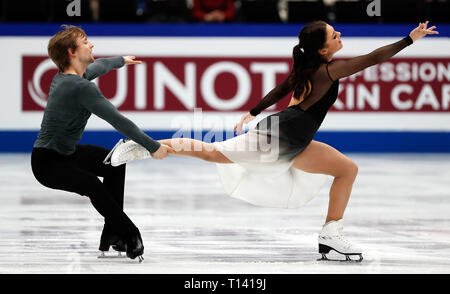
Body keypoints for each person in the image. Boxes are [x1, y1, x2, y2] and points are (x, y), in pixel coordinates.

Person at [108, 21, 438, 262]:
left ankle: (330, 234)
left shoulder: (308, 69)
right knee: (212, 153)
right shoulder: (327, 71)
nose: (339, 35)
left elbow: (279, 91)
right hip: (280, 139)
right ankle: (140, 145)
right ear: (324, 50)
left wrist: (253, 111)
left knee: (346, 169)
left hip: (294, 139)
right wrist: (409, 39)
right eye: (333, 34)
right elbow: (370, 59)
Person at [30, 25, 174, 261]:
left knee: (114, 162)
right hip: (47, 164)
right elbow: (118, 120)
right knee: (92, 183)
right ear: (71, 52)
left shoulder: (71, 76)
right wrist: (153, 146)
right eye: (85, 41)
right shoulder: (78, 87)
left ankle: (112, 235)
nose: (91, 44)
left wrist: (120, 60)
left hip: (68, 154)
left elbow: (99, 66)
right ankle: (129, 234)